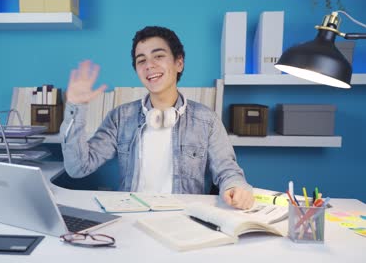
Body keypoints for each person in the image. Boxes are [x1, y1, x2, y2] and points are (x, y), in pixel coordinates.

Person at [60, 26, 254, 210]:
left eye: (158, 56)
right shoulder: (120, 117)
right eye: (141, 60)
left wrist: (235, 188)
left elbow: (228, 171)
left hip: (184, 220)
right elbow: (78, 168)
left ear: (179, 63)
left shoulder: (207, 120)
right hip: (129, 218)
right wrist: (76, 107)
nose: (149, 66)